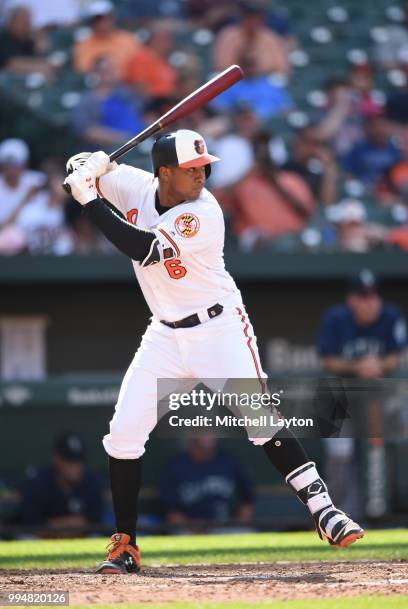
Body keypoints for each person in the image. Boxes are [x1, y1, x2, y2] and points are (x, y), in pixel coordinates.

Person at [65, 129, 364, 574]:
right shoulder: (134, 185)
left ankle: (324, 510)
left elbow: (143, 249)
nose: (202, 175)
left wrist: (88, 199)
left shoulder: (203, 214)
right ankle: (125, 545)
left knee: (261, 421)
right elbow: (84, 167)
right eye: (191, 170)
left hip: (218, 327)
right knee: (123, 436)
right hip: (164, 335)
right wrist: (85, 167)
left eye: (205, 167)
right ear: (164, 173)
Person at [317, 270, 406, 513]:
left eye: (373, 295)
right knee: (340, 456)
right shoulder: (336, 318)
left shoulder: (390, 316)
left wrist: (378, 365)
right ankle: (332, 516)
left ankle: (389, 511)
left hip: (377, 398)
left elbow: (395, 357)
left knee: (387, 448)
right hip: (341, 397)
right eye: (362, 296)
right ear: (351, 300)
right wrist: (359, 366)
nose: (369, 302)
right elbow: (327, 360)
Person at [159, 436, 254, 526]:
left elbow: (247, 499)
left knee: (246, 535)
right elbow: (169, 510)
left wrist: (238, 521)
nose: (207, 451)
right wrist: (190, 526)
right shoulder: (176, 465)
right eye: (202, 448)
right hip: (188, 528)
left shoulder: (228, 461)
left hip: (224, 526)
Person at [21, 433, 104, 531]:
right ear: (57, 460)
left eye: (79, 461)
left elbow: (94, 524)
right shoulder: (39, 484)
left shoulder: (92, 483)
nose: (75, 466)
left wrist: (56, 524)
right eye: (70, 461)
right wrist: (72, 524)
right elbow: (33, 526)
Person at [71, 56, 145, 150]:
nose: (110, 73)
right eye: (105, 70)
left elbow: (142, 117)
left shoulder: (125, 94)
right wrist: (128, 140)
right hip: (114, 151)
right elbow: (89, 132)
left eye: (112, 69)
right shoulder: (87, 101)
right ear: (94, 74)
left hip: (141, 146)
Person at [213, 0, 290, 76]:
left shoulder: (270, 38)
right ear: (242, 18)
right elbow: (220, 65)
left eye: (256, 18)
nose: (252, 22)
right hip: (234, 81)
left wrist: (257, 68)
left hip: (263, 81)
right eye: (249, 18)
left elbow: (282, 68)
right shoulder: (228, 35)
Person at [73, 0, 141, 80]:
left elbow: (139, 65)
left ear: (112, 19)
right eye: (98, 20)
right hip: (98, 87)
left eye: (105, 19)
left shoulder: (128, 39)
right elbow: (83, 71)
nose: (102, 24)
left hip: (127, 84)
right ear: (91, 22)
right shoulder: (83, 45)